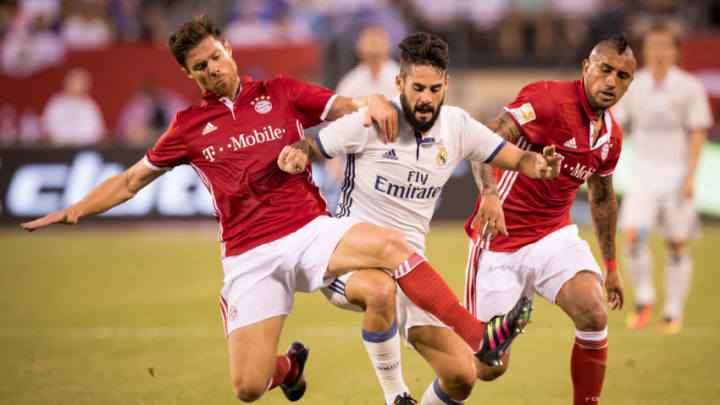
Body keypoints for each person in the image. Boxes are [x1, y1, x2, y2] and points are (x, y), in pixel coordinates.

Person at [21, 15, 502, 403]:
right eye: (200, 65)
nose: (213, 67)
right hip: (248, 253)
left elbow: (350, 105)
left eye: (215, 55)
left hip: (308, 230)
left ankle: (468, 341)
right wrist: (76, 209)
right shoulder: (188, 127)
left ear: (228, 48)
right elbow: (131, 180)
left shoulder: (281, 92)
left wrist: (375, 100)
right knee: (248, 387)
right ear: (188, 75)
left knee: (389, 257)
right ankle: (291, 367)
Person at [277, 32, 562, 405]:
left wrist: (541, 166)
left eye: (433, 88)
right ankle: (398, 394)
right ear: (399, 84)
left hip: (413, 272)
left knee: (462, 377)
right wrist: (296, 154)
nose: (425, 98)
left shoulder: (457, 126)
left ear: (447, 84)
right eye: (416, 88)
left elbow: (519, 158)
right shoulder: (372, 121)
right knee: (381, 288)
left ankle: (466, 351)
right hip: (349, 256)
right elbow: (312, 146)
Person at [462, 35, 636, 405]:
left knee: (593, 312)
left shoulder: (610, 138)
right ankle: (443, 332)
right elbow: (485, 139)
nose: (611, 82)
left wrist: (611, 266)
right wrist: (489, 194)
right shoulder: (546, 99)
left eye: (622, 76)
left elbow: (602, 198)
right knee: (489, 368)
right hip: (500, 241)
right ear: (586, 67)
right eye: (605, 70)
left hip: (553, 237)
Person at [613, 22, 712, 334]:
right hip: (641, 173)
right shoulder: (633, 85)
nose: (657, 52)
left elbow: (698, 132)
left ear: (674, 51)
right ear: (645, 50)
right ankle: (645, 299)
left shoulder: (688, 86)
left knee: (677, 244)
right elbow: (619, 128)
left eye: (663, 46)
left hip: (677, 173)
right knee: (631, 236)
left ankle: (672, 312)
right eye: (652, 46)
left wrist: (691, 176)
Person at [42, 68, 105, 146]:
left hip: (85, 149)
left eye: (81, 82)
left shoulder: (90, 105)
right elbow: (48, 129)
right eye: (75, 81)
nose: (77, 85)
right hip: (59, 150)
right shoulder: (56, 103)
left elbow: (97, 131)